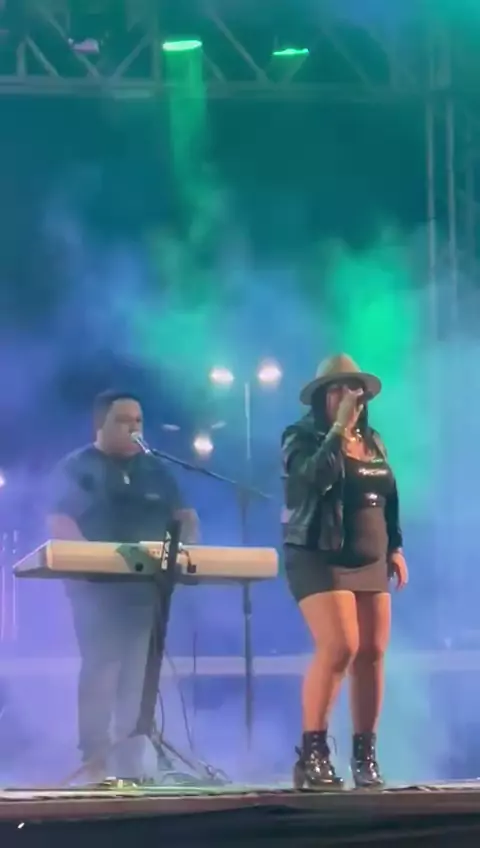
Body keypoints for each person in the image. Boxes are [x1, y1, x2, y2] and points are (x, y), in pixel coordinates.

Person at [46, 390, 198, 779]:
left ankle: (132, 756)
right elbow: (60, 522)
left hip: (147, 589)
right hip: (96, 589)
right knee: (103, 665)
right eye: (124, 420)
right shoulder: (77, 467)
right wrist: (92, 560)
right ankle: (95, 757)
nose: (134, 428)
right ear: (101, 424)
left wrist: (183, 550)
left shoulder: (156, 470)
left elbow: (185, 516)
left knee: (139, 671)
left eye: (139, 421)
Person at [282, 354, 408, 791]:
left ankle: (365, 756)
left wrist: (396, 547)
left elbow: (389, 497)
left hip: (371, 557)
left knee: (372, 651)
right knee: (340, 646)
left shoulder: (373, 441)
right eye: (335, 389)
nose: (346, 396)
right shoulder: (301, 436)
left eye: (352, 389)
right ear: (321, 397)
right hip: (320, 552)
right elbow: (308, 483)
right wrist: (337, 431)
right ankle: (312, 755)